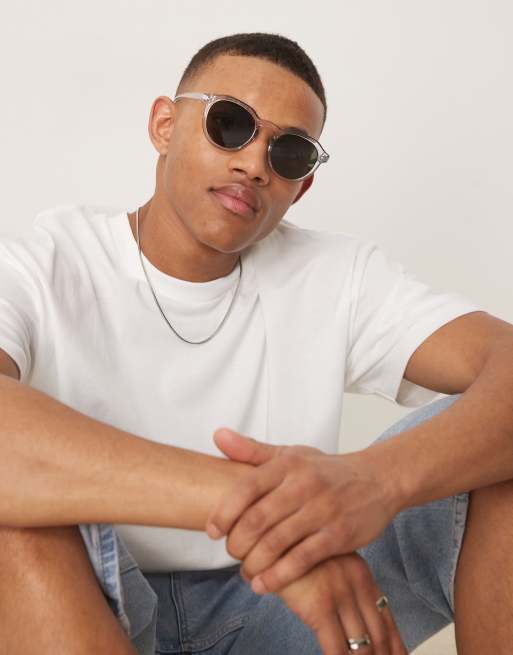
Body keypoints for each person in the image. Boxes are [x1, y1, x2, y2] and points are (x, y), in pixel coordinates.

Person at [0, 31, 512, 655]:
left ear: (302, 186)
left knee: (498, 451)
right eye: (230, 124)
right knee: (16, 515)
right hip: (94, 602)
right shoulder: (45, 265)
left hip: (279, 611)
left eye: (288, 153)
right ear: (164, 125)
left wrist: (371, 484)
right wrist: (260, 510)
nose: (254, 164)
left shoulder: (336, 276)